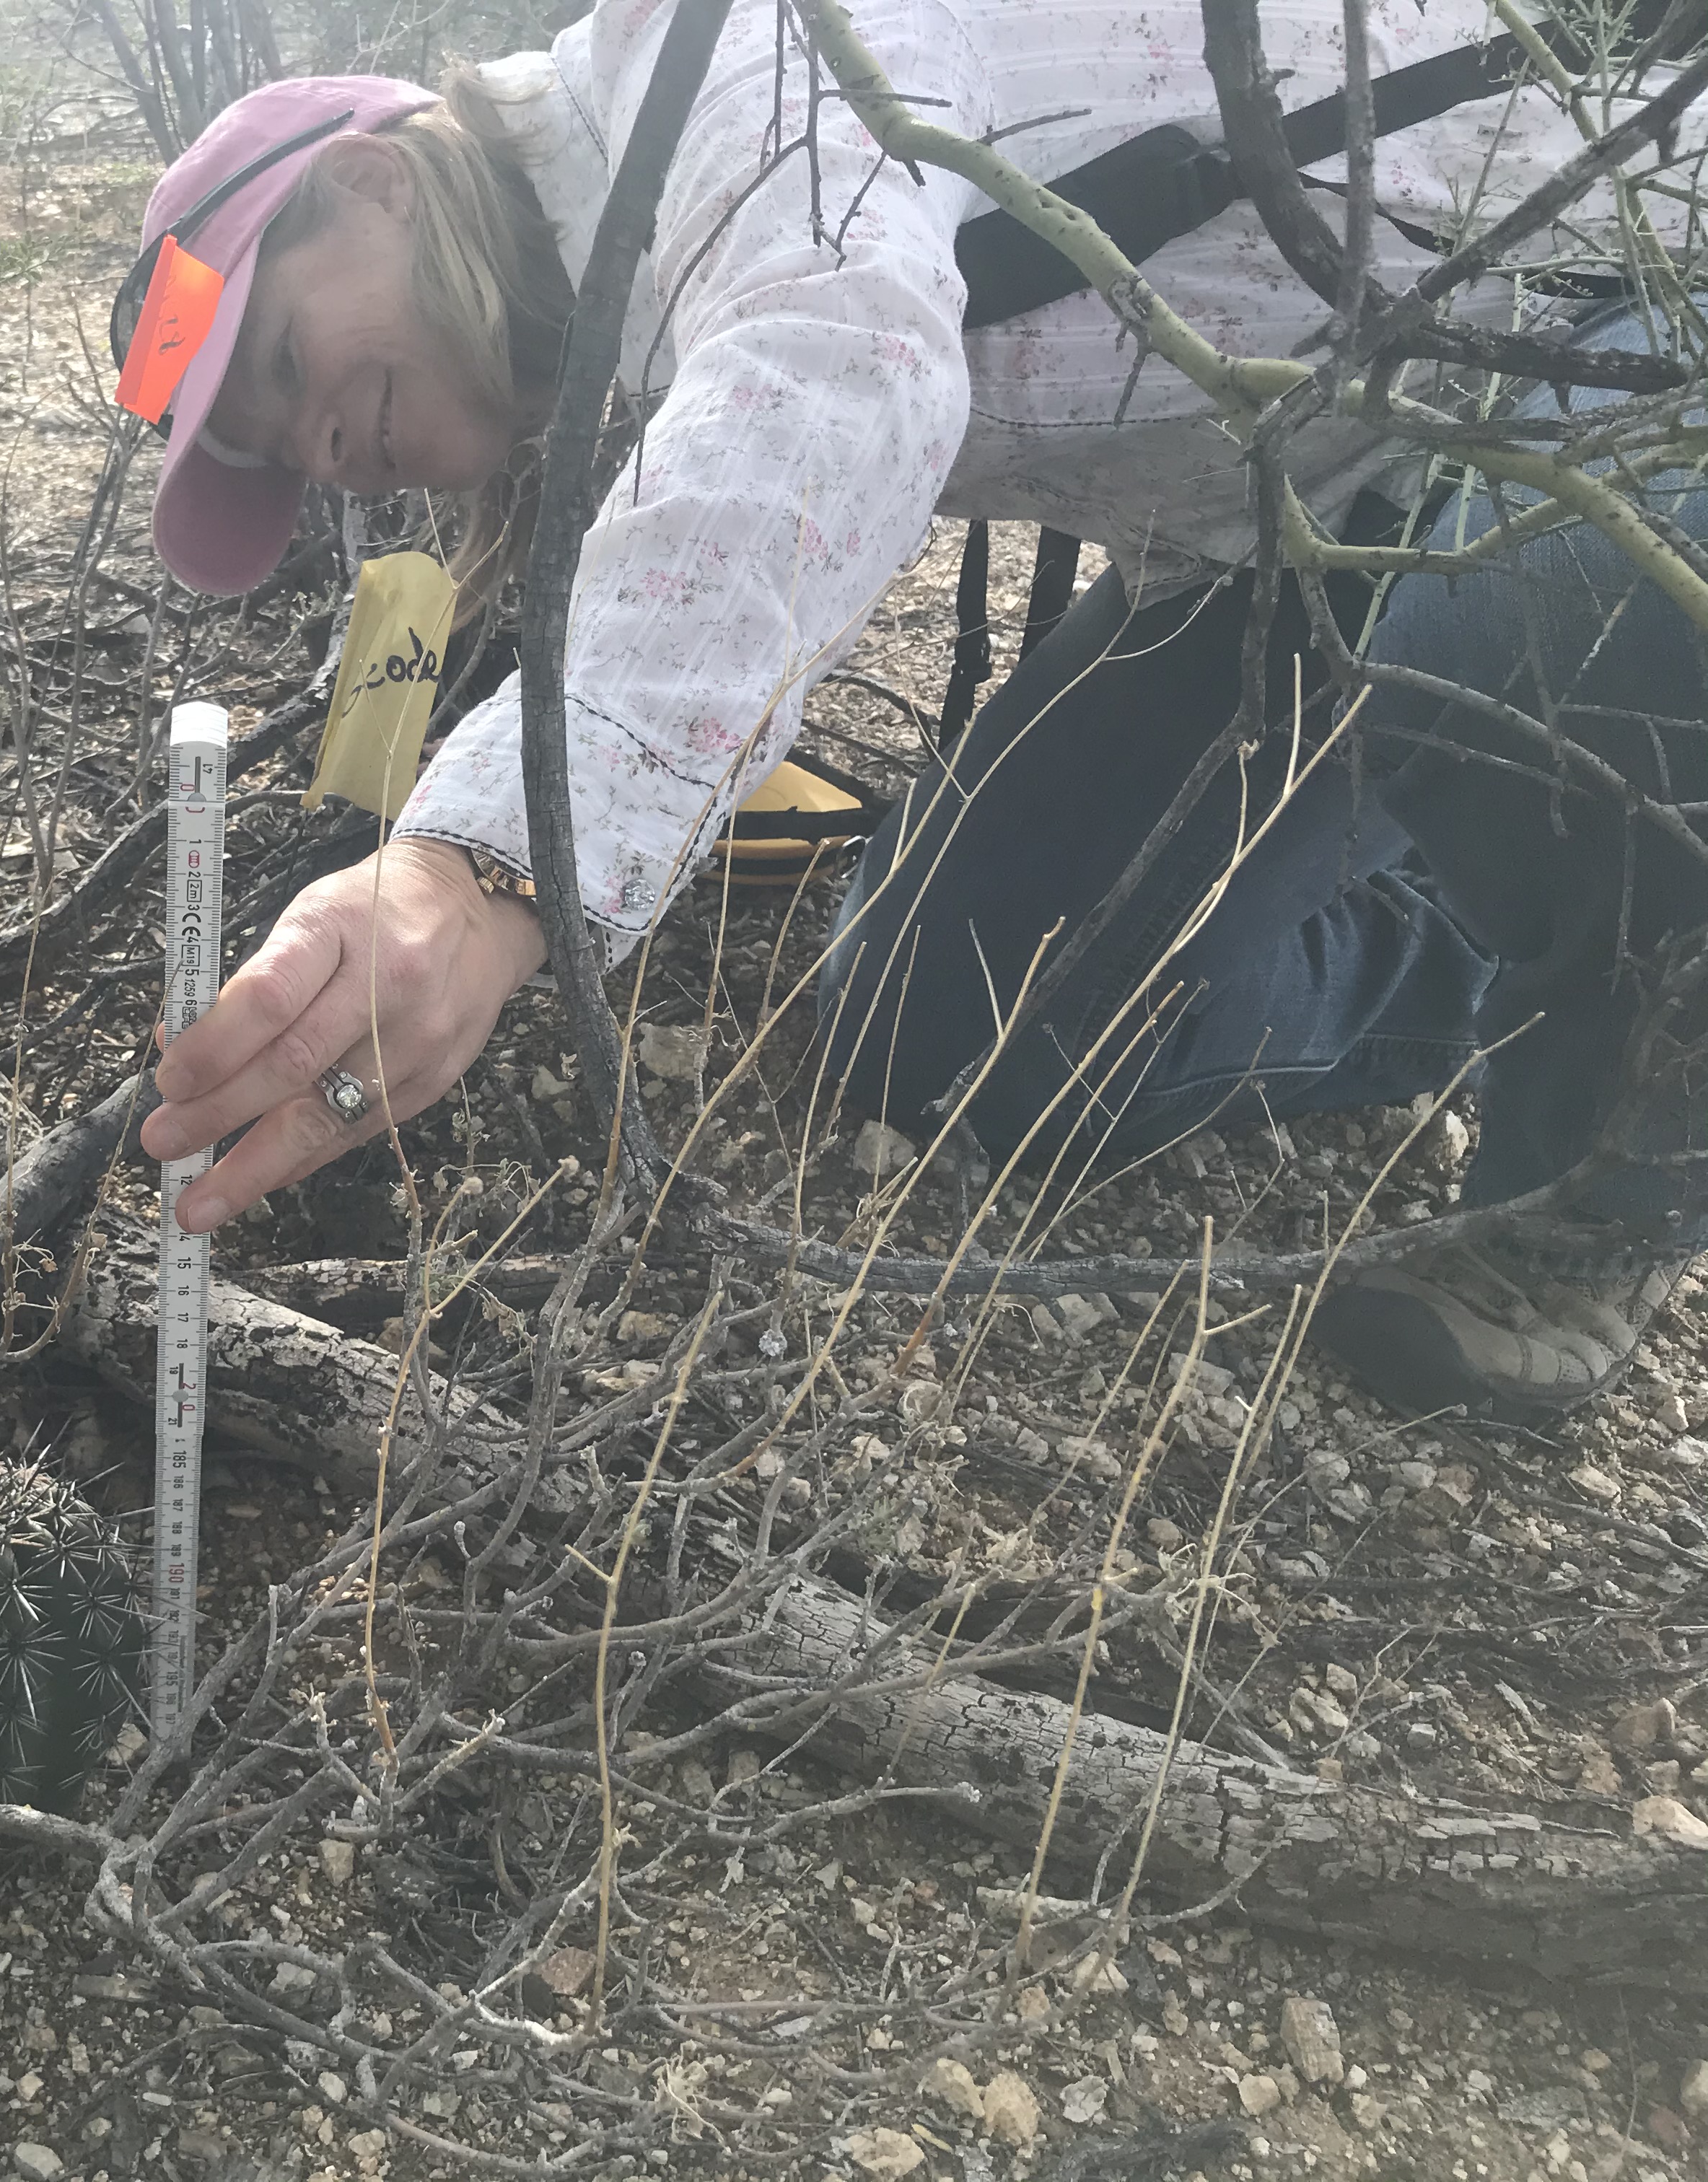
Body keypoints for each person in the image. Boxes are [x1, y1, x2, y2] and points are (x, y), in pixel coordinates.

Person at [119, 0, 1708, 1423]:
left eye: (281, 358)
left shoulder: (728, 53)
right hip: (1286, 522)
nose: (314, 448)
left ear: (382, 179)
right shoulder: (604, 322)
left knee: (1536, 619)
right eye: (271, 455)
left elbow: (841, 360)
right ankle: (1482, 948)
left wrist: (483, 868)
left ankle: (1613, 1160)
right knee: (945, 1022)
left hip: (1590, 327)